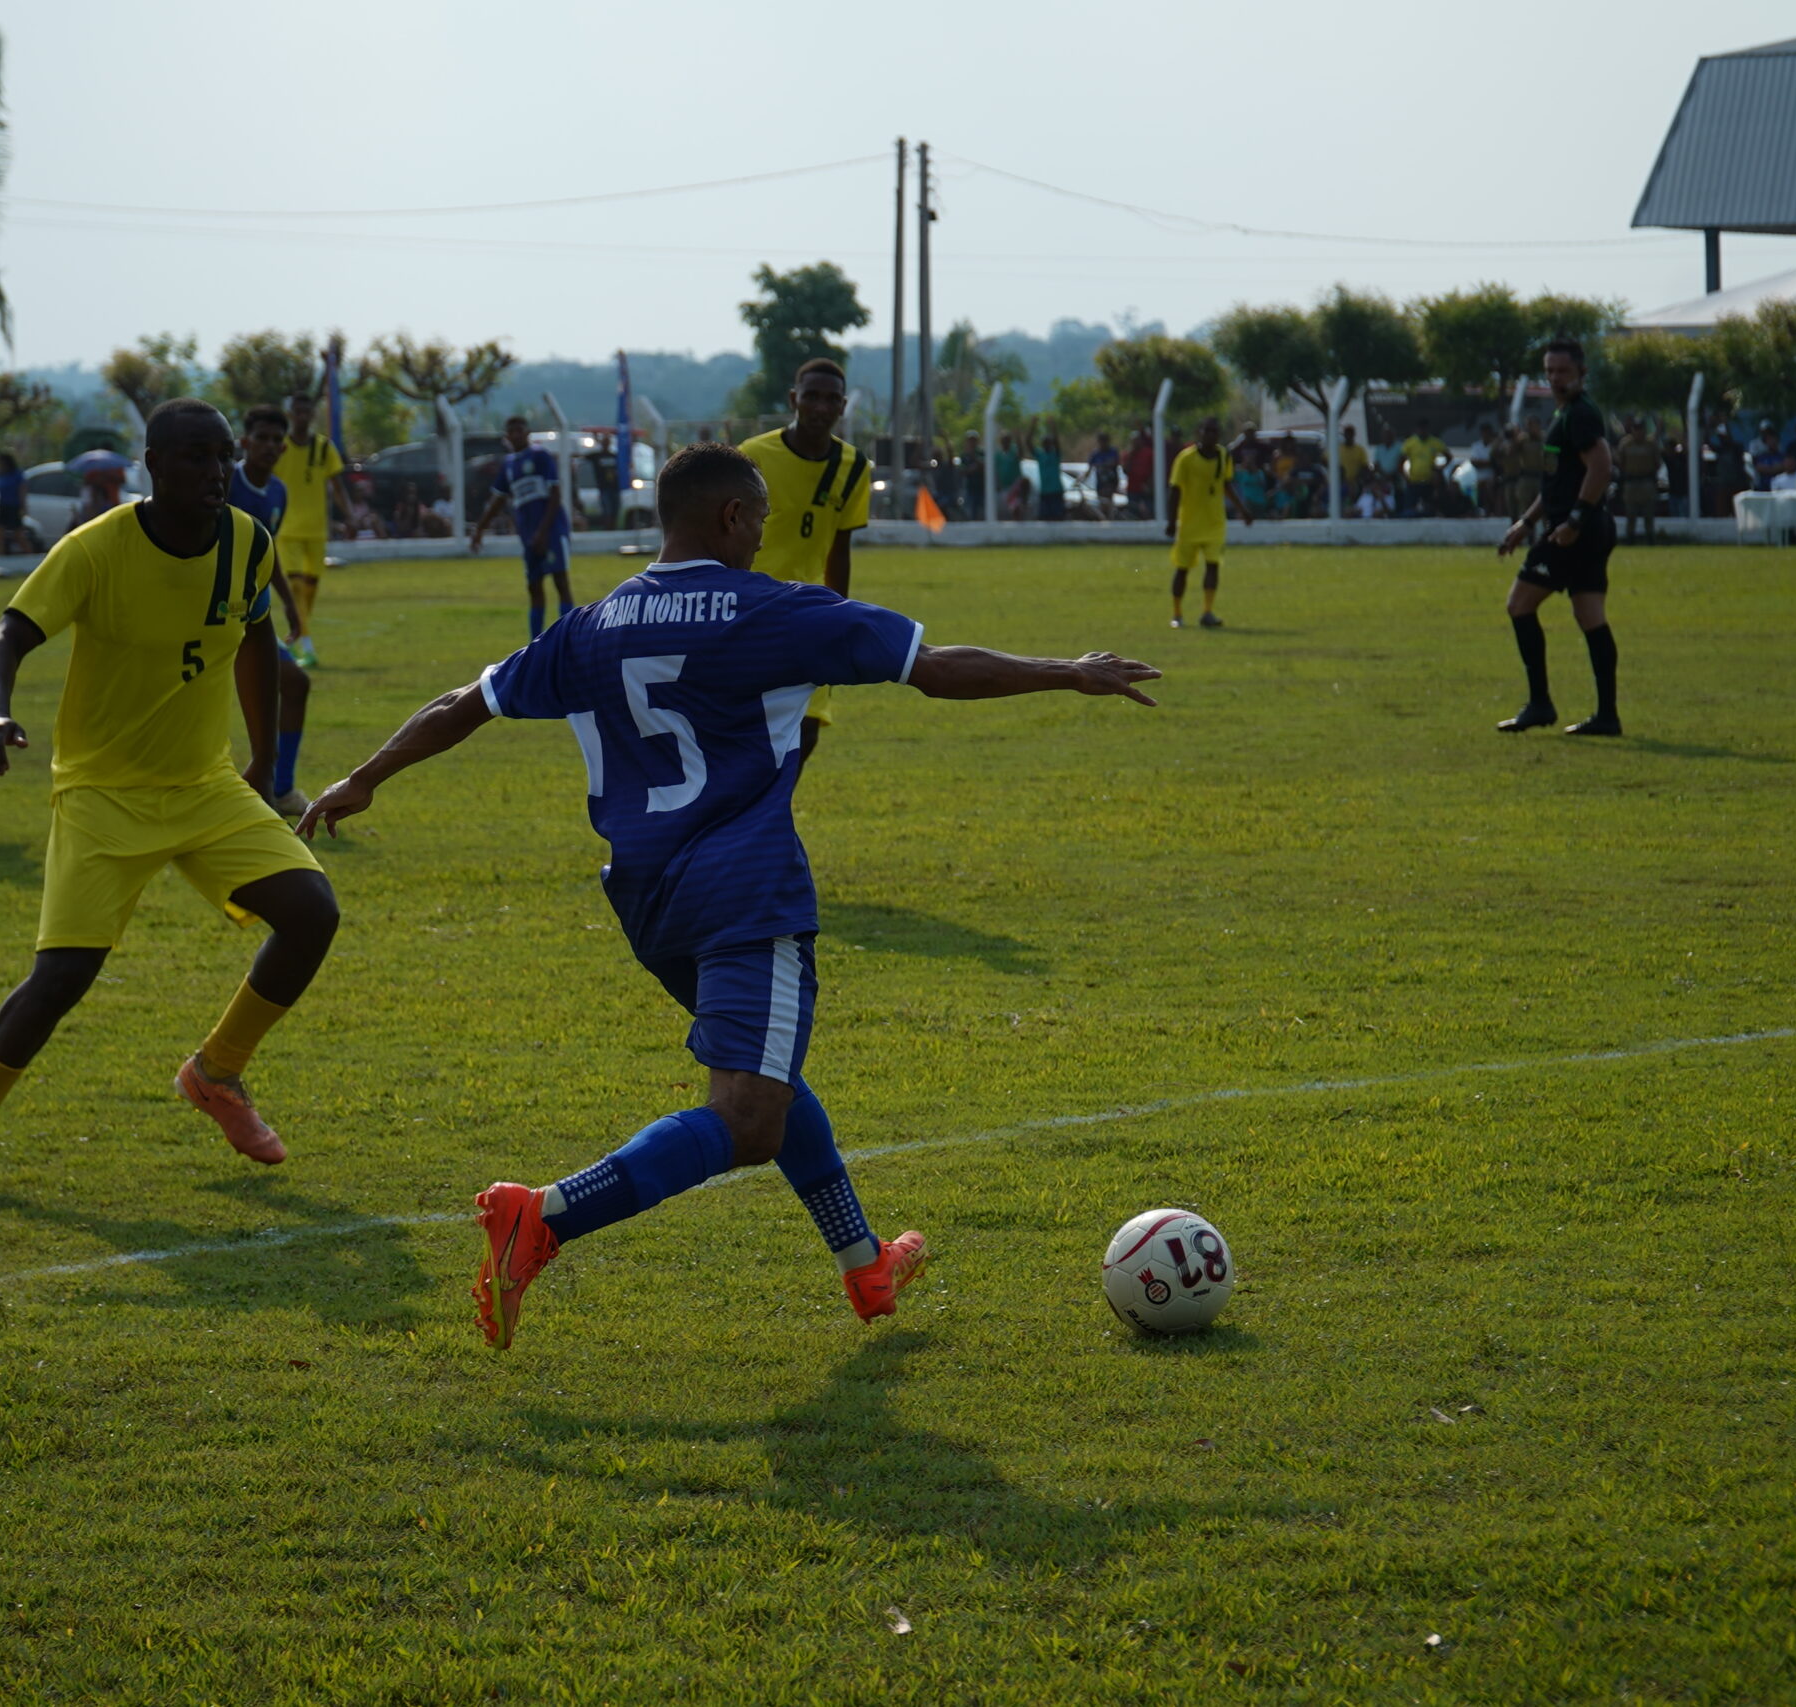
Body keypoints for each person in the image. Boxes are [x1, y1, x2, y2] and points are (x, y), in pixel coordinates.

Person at [297, 442, 1160, 1349]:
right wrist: (1070, 669)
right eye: (759, 520)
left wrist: (366, 776)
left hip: (649, 901)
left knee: (768, 1076)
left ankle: (865, 1260)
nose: (761, 538)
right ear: (730, 516)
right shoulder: (772, 609)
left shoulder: (590, 626)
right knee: (748, 1118)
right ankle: (544, 1213)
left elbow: (462, 702)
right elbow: (934, 665)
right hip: (747, 893)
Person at [0, 398, 340, 1198]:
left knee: (312, 911)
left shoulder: (247, 541)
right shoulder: (95, 549)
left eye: (222, 456)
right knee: (62, 976)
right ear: (153, 465)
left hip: (204, 784)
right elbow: (7, 637)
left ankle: (216, 1072)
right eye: (195, 457)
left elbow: (255, 638)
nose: (216, 472)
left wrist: (263, 759)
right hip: (103, 793)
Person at [738, 358, 872, 765]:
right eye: (811, 396)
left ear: (842, 406)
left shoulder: (854, 467)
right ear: (793, 399)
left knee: (807, 728)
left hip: (810, 611)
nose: (820, 407)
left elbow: (840, 547)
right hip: (750, 608)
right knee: (748, 724)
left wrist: (840, 616)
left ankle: (773, 803)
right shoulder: (752, 456)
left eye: (831, 399)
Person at [1496, 339, 1620, 737]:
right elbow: (1558, 483)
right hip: (1588, 528)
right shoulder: (1565, 414)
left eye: (1562, 371)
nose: (1554, 378)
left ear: (1582, 373)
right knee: (1590, 617)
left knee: (1519, 605)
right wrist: (1526, 522)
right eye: (1549, 371)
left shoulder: (1579, 414)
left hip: (1573, 532)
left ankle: (1540, 704)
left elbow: (1601, 466)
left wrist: (1574, 521)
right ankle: (1607, 716)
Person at [228, 404, 316, 819]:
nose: (268, 446)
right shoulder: (226, 481)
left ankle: (281, 789)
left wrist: (288, 603)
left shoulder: (278, 491)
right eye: (260, 438)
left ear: (283, 448)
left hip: (252, 613)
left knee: (295, 683)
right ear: (245, 442)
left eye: (275, 440)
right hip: (214, 612)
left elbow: (267, 551)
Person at [471, 415, 576, 637]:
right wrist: (480, 529)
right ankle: (535, 643)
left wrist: (544, 532)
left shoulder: (541, 456)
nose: (517, 435)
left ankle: (567, 639)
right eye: (512, 432)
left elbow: (555, 495)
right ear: (506, 437)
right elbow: (498, 500)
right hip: (528, 535)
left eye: (520, 430)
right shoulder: (509, 465)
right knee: (534, 587)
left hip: (551, 531)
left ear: (527, 433)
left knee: (560, 582)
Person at [274, 391, 352, 665]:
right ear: (290, 415)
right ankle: (307, 646)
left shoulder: (323, 448)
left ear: (313, 415)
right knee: (295, 587)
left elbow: (337, 486)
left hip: (317, 530)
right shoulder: (280, 447)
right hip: (287, 529)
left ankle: (294, 638)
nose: (303, 417)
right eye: (298, 412)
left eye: (307, 412)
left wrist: (350, 516)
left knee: (309, 590)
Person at [1165, 416, 1254, 629]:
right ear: (1199, 433)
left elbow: (1226, 485)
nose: (1211, 435)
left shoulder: (1223, 455)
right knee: (1182, 569)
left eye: (1214, 432)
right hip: (1189, 523)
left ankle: (1207, 612)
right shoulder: (1185, 458)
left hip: (1215, 522)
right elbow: (1175, 490)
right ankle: (1177, 614)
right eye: (1207, 431)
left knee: (1213, 566)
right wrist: (1171, 521)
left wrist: (1242, 510)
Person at [1614, 416, 1663, 545]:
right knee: (1631, 513)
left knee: (1649, 513)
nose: (1638, 432)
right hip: (1631, 482)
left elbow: (1657, 463)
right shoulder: (1625, 444)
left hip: (1647, 482)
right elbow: (1620, 462)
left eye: (1640, 429)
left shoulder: (1651, 444)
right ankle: (1630, 538)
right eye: (1636, 429)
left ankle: (1650, 538)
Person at [0, 453, 31, 555]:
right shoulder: (2, 474)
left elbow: (22, 491)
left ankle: (29, 554)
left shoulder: (17, 474)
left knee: (18, 535)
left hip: (13, 507)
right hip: (3, 507)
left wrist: (23, 507)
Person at [1124, 426, 1157, 520]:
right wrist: (1130, 457)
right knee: (1133, 514)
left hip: (1146, 489)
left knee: (1148, 512)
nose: (1135, 443)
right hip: (1133, 489)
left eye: (1137, 440)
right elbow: (1125, 471)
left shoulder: (1149, 453)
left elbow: (1154, 469)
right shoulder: (1128, 454)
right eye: (1133, 441)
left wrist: (1150, 484)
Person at [1088, 430, 1121, 517]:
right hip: (1100, 484)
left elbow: (1116, 464)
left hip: (1111, 483)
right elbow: (1089, 469)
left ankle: (1110, 518)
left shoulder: (1113, 452)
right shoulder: (1095, 454)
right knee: (1102, 504)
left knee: (1109, 504)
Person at [1035, 431, 1065, 521]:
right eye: (1045, 443)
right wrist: (1032, 426)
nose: (1047, 445)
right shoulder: (1040, 455)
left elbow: (1057, 443)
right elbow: (1028, 443)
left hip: (1056, 492)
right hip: (1044, 492)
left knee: (1058, 517)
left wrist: (1053, 428)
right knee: (1044, 518)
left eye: (1048, 443)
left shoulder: (1056, 454)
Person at [1335, 424, 1369, 503]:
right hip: (1341, 482)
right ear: (1344, 435)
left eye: (1350, 434)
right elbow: (1326, 460)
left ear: (1354, 435)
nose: (1349, 436)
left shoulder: (1360, 450)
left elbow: (1364, 466)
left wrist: (1356, 479)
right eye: (1347, 434)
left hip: (1355, 482)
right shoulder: (1338, 449)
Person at [960, 430, 987, 522]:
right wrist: (973, 468)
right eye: (970, 440)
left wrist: (974, 457)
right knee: (971, 512)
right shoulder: (964, 455)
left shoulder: (982, 453)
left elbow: (983, 466)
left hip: (982, 488)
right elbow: (963, 470)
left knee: (984, 512)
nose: (972, 442)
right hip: (970, 488)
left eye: (973, 440)